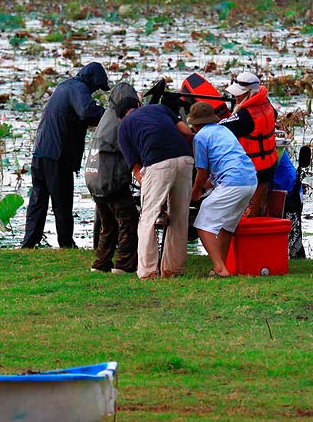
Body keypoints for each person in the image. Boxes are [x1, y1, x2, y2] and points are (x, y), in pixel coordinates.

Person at [21, 62, 107, 249]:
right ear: (92, 80)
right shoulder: (79, 87)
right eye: (97, 86)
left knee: (38, 199)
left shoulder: (64, 86)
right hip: (57, 154)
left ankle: (28, 244)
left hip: (40, 151)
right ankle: (66, 244)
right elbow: (86, 112)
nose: (95, 90)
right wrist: (109, 114)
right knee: (62, 201)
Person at [117, 96, 194, 279]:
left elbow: (136, 167)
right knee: (180, 216)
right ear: (138, 105)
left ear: (120, 117)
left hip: (157, 164)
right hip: (185, 158)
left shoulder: (124, 127)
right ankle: (173, 270)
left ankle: (148, 272)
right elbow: (185, 130)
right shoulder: (159, 108)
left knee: (148, 219)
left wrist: (149, 190)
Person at [187, 102, 258, 278]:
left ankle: (220, 268)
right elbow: (225, 160)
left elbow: (202, 171)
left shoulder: (200, 137)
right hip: (250, 180)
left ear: (195, 124)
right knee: (226, 227)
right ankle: (221, 267)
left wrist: (195, 193)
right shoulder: (224, 130)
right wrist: (209, 184)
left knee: (203, 224)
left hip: (233, 182)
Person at [84, 84, 140, 273]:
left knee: (108, 225)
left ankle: (101, 263)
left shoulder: (105, 118)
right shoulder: (123, 120)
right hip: (111, 180)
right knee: (128, 220)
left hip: (94, 179)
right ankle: (124, 264)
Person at [220, 71, 278, 217]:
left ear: (250, 93)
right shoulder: (267, 104)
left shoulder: (245, 117)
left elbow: (219, 129)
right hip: (268, 166)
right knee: (256, 207)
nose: (235, 96)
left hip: (252, 170)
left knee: (248, 213)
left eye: (239, 94)